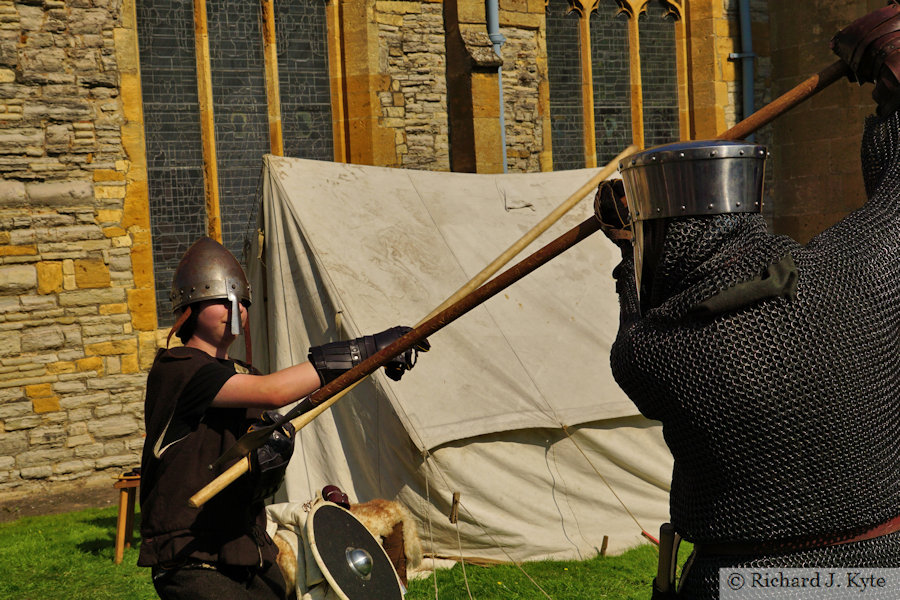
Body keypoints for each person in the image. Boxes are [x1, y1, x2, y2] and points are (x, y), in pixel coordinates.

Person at [595, 6, 900, 598]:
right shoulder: (857, 273)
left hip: (739, 583)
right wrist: (892, 76)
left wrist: (626, 247)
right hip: (876, 576)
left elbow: (642, 300)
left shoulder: (651, 355)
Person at [138, 237, 429, 600]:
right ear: (189, 310)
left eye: (241, 301)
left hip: (250, 554)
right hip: (193, 559)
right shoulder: (177, 368)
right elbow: (274, 391)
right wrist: (367, 350)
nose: (235, 308)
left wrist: (270, 462)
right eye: (219, 299)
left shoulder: (245, 374)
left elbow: (250, 480)